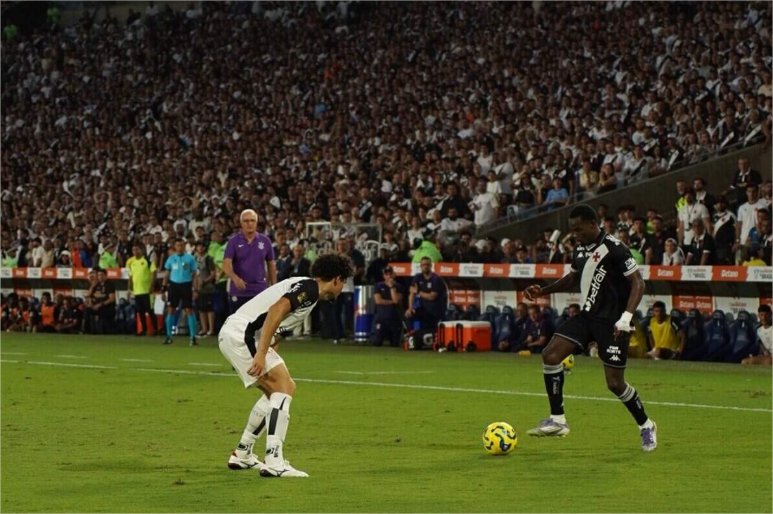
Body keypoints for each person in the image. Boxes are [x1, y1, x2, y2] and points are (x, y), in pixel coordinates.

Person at [523, 204, 657, 452]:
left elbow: (638, 283)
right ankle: (558, 421)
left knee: (615, 384)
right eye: (572, 230)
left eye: (578, 229)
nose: (575, 234)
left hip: (613, 322)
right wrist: (543, 290)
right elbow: (573, 277)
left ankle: (646, 425)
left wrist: (626, 317)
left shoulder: (615, 248)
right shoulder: (581, 248)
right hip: (587, 317)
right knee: (550, 355)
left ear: (593, 224)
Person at [218, 253, 352, 478]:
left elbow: (277, 326)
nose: (343, 288)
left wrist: (268, 350)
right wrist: (261, 354)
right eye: (344, 282)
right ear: (337, 279)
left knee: (277, 391)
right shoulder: (309, 288)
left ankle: (243, 452)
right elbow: (276, 311)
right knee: (284, 387)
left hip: (236, 334)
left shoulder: (307, 290)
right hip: (243, 335)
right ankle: (273, 459)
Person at [223, 209, 277, 313]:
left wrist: (274, 286)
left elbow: (271, 265)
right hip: (239, 292)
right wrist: (235, 278)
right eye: (246, 221)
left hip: (260, 291)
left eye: (252, 220)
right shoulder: (233, 242)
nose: (249, 224)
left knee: (260, 325)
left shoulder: (265, 241)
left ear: (256, 222)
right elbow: (226, 265)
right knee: (238, 326)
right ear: (241, 223)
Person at [162, 238, 198, 346]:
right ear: (175, 246)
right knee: (171, 310)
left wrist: (195, 289)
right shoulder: (171, 259)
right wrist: (163, 288)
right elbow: (167, 273)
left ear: (184, 246)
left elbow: (194, 274)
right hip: (174, 285)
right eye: (178, 245)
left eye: (182, 245)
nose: (180, 247)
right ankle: (169, 336)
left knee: (189, 310)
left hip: (186, 285)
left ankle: (192, 337)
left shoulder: (190, 258)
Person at [126, 243, 158, 336]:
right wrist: (129, 289)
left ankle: (156, 329)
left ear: (141, 250)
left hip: (147, 291)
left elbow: (154, 272)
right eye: (133, 250)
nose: (135, 252)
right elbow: (130, 276)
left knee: (150, 311)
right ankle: (143, 330)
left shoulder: (147, 261)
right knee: (140, 312)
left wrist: (152, 285)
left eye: (137, 249)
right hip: (137, 291)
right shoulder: (132, 262)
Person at [370, 266, 404, 347]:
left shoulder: (399, 287)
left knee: (395, 344)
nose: (389, 276)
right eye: (386, 274)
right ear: (384, 276)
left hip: (394, 319)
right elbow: (378, 301)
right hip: (381, 318)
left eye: (390, 274)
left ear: (394, 275)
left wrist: (392, 287)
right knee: (376, 342)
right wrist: (391, 302)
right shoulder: (379, 286)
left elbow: (396, 300)